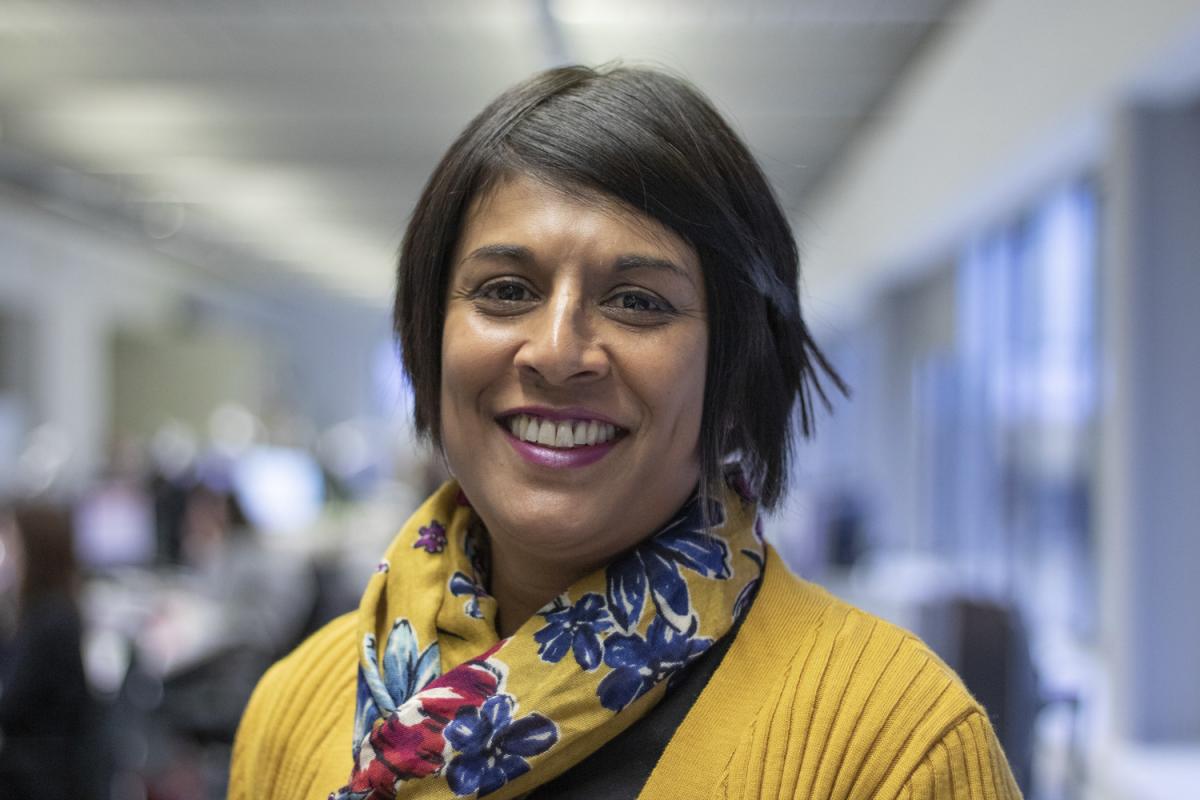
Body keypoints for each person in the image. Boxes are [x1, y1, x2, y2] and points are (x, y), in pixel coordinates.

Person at [229, 65, 1021, 800]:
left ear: (736, 367)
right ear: (427, 336)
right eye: (506, 291)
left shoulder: (898, 748)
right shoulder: (297, 707)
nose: (558, 352)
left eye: (639, 301)